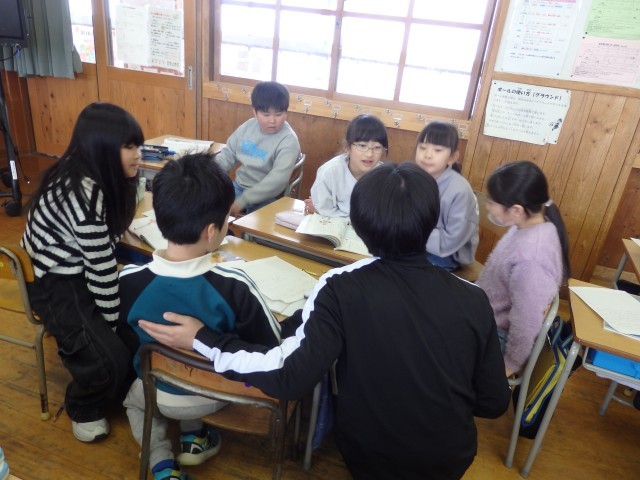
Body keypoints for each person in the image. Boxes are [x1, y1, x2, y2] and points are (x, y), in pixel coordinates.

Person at [138, 162, 511, 480]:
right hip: (449, 458)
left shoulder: (339, 288)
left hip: (368, 455)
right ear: (431, 222)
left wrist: (203, 338)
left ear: (359, 228)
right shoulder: (474, 299)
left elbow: (288, 376)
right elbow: (493, 403)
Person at [120, 153, 282, 480]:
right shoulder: (235, 286)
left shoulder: (129, 281)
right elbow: (272, 347)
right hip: (217, 393)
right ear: (211, 231)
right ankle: (195, 436)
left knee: (134, 403)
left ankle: (162, 465)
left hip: (158, 386)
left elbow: (128, 336)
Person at [21, 102, 143, 442]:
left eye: (138, 145)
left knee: (136, 333)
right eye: (129, 147)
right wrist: (109, 327)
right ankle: (82, 406)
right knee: (110, 359)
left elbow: (103, 251)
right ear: (101, 149)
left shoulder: (93, 175)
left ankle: (111, 379)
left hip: (79, 268)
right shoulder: (84, 195)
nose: (138, 154)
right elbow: (101, 270)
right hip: (53, 281)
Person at [476, 160, 571, 377]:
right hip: (483, 314)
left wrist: (509, 365)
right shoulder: (529, 225)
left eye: (491, 202)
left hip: (495, 334)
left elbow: (526, 321)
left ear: (516, 210)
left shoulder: (532, 257)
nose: (488, 207)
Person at [214, 81, 301, 216]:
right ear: (255, 112)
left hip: (269, 195)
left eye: (278, 114)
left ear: (286, 112)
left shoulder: (289, 140)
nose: (272, 120)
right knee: (210, 209)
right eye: (266, 115)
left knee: (254, 226)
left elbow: (277, 180)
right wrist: (208, 172)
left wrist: (243, 201)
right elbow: (228, 154)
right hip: (239, 186)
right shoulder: (248, 127)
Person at [414, 121, 479, 271]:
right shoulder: (413, 177)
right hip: (417, 242)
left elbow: (451, 241)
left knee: (404, 269)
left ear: (452, 157)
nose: (427, 155)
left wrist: (410, 233)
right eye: (422, 148)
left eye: (437, 150)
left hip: (448, 254)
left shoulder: (460, 190)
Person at [304, 114, 387, 217]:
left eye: (377, 147)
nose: (370, 154)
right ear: (347, 147)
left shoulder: (385, 177)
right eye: (362, 146)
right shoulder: (329, 172)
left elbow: (383, 217)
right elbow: (323, 211)